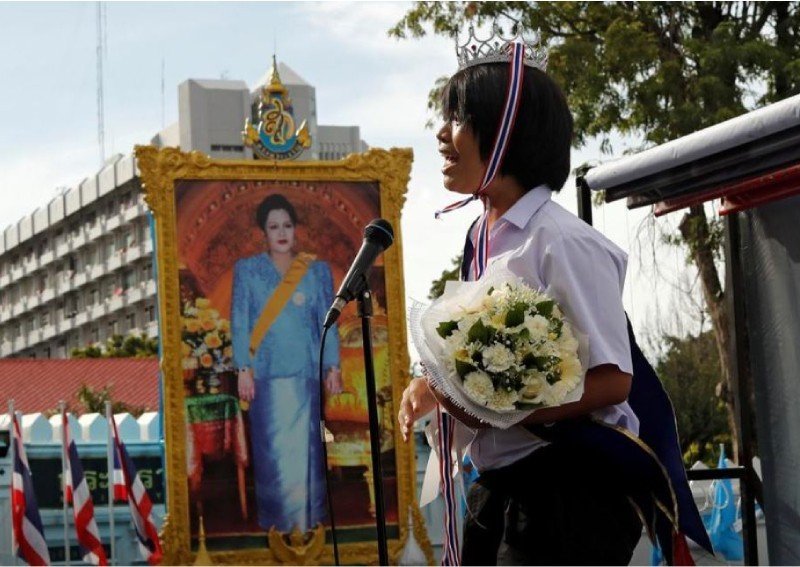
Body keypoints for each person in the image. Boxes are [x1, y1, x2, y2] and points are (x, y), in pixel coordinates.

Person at [399, 38, 710, 565]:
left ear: (504, 133)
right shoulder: (480, 238)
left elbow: (613, 379)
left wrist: (489, 405)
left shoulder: (562, 241)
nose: (441, 135)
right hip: (501, 487)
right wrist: (433, 385)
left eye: (458, 118)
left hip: (568, 488)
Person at [231, 193, 342, 532]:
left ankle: (308, 523)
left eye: (287, 225)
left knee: (306, 451)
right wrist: (243, 368)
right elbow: (239, 320)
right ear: (263, 232)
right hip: (265, 375)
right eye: (273, 226)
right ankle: (278, 524)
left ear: (296, 229)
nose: (281, 232)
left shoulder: (316, 269)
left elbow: (328, 320)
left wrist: (332, 366)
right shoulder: (248, 270)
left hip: (304, 375)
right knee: (273, 453)